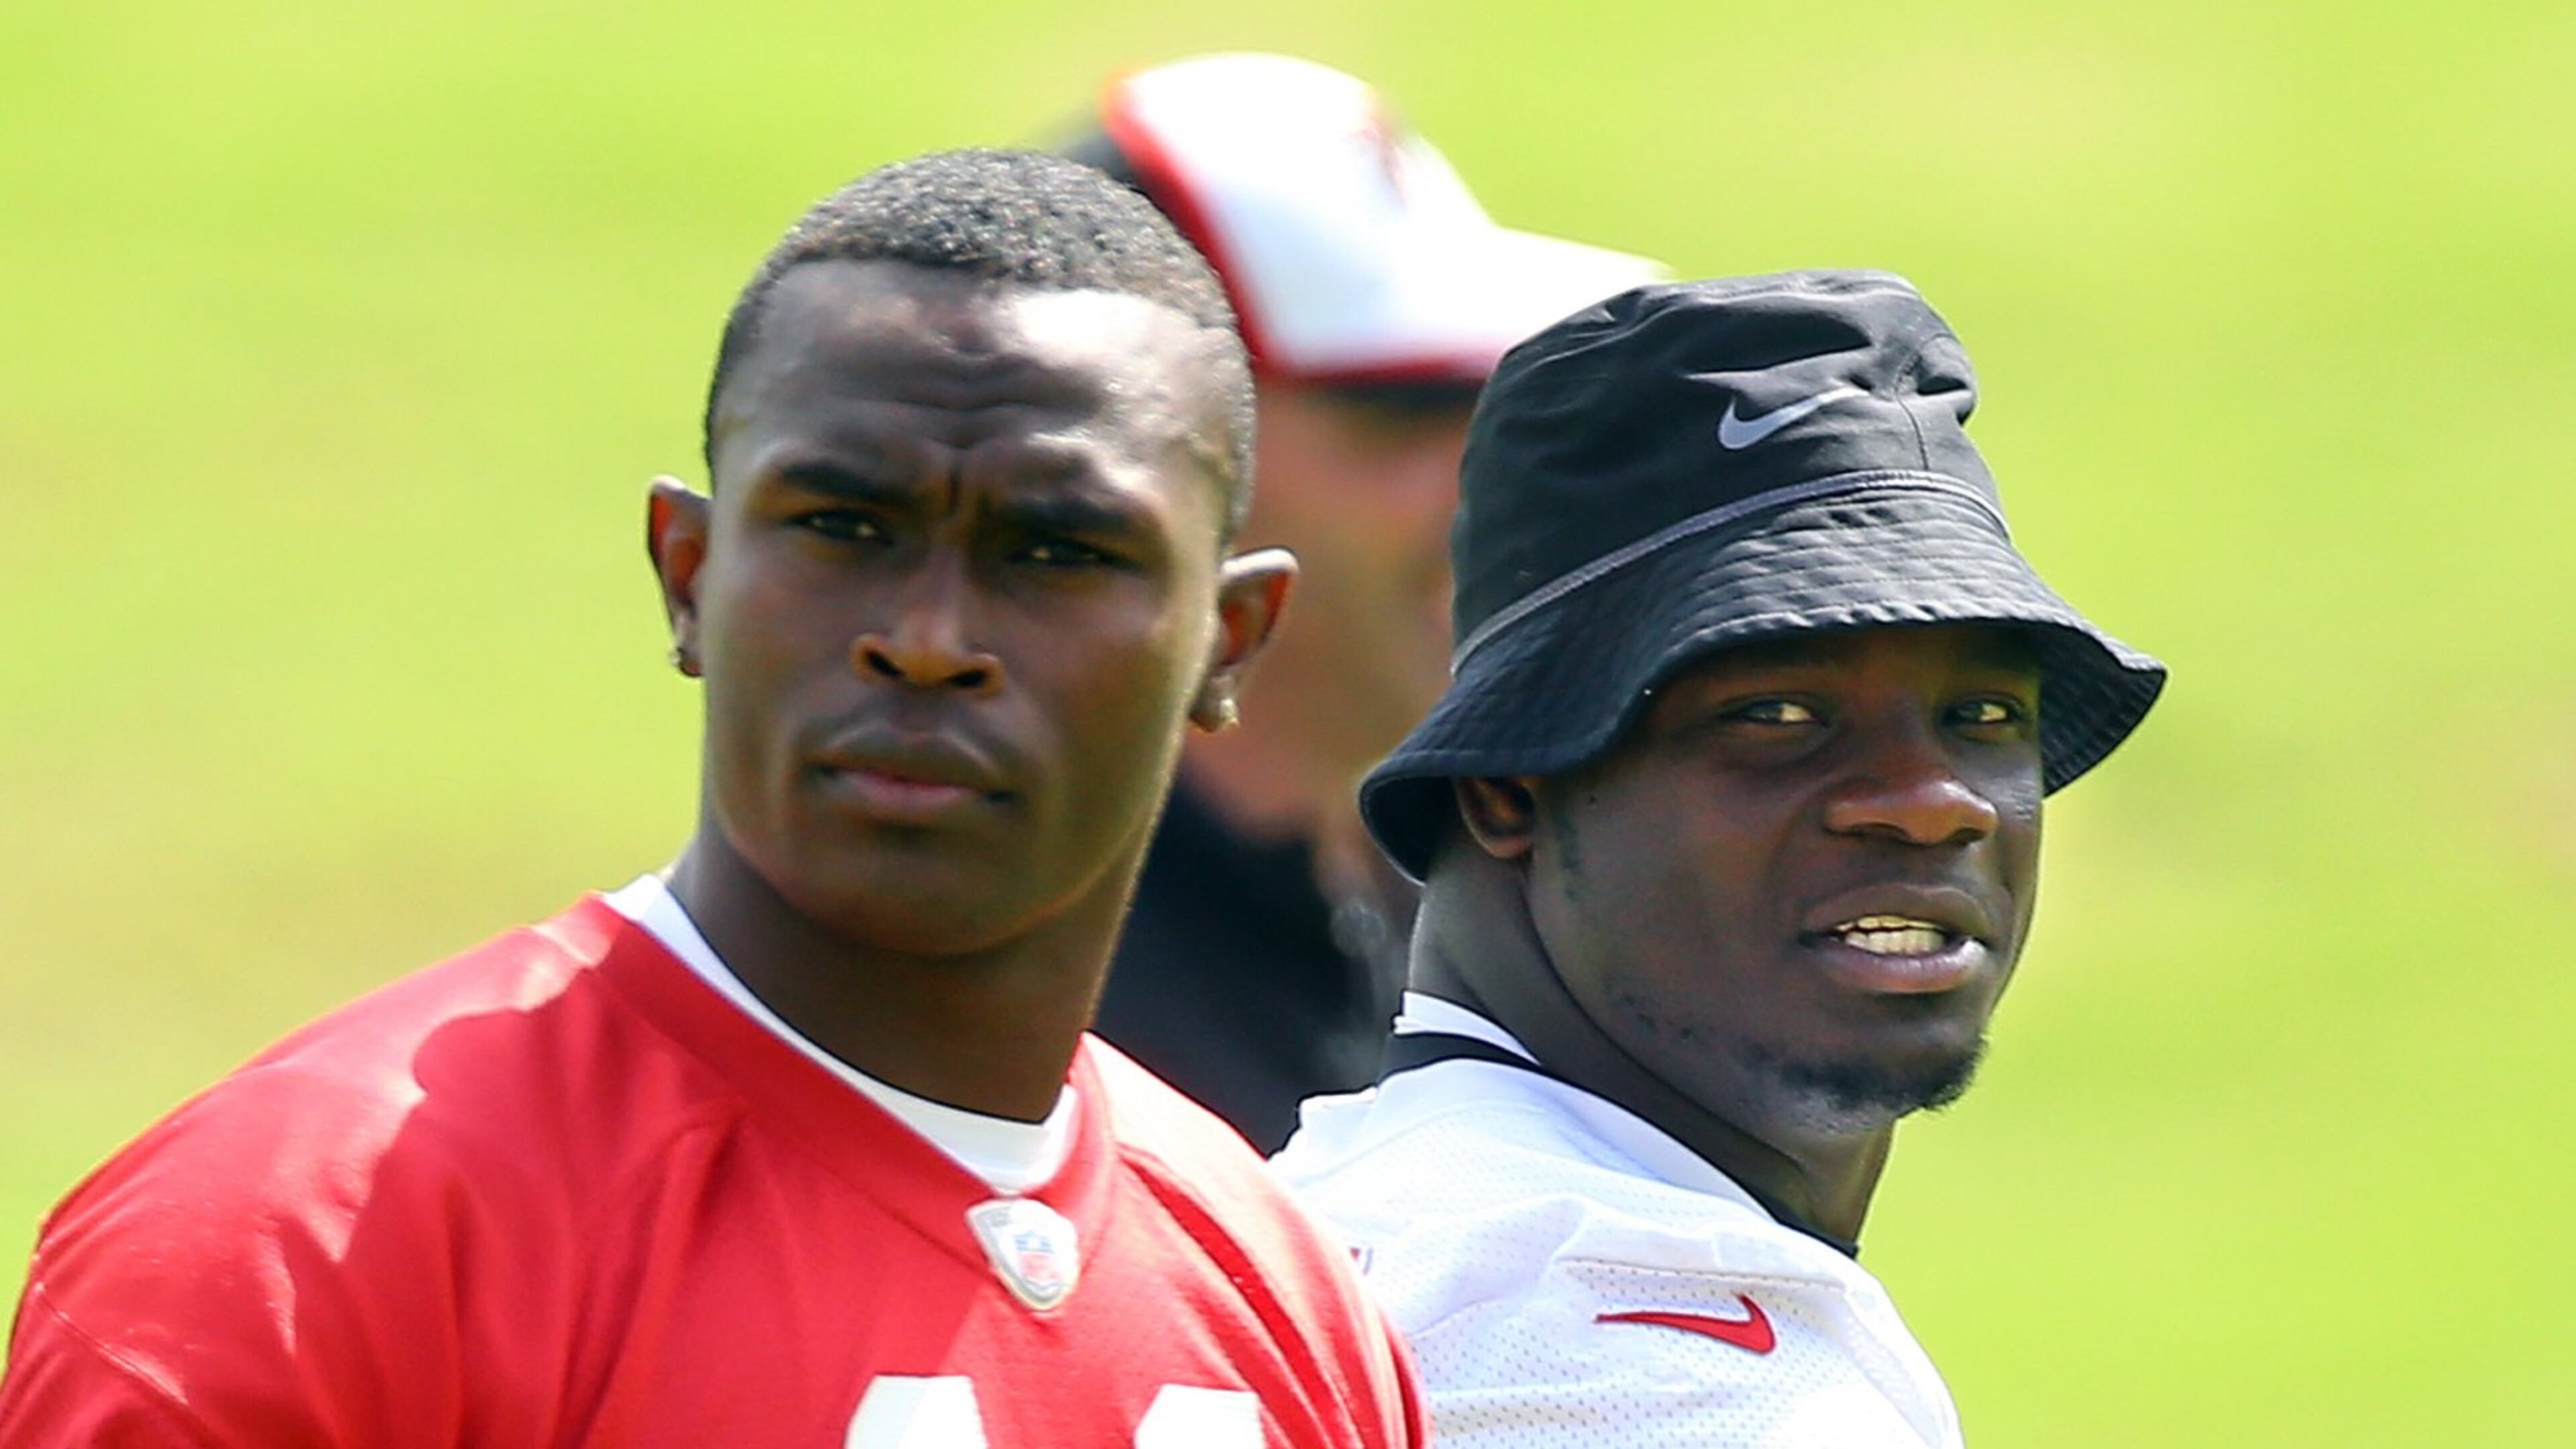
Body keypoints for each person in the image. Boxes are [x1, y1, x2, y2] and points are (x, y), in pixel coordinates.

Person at [1, 150, 1426, 1449]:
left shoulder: (1282, 1298)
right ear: (687, 575)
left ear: (1228, 643)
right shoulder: (306, 1250)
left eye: (1055, 553)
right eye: (841, 528)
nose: (928, 638)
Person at [1273, 270, 2168, 1445]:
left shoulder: (1383, 1210)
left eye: (1985, 717)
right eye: (1780, 717)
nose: (1933, 803)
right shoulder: (1602, 1343)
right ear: (1507, 785)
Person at [1056, 52, 1662, 1149]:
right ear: (1142, 462)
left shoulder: (1499, 915)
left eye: (1503, 401)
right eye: (1403, 415)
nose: (1498, 484)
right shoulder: (1023, 1021)